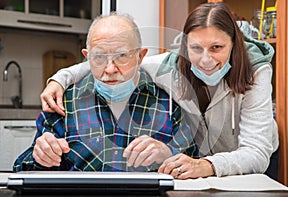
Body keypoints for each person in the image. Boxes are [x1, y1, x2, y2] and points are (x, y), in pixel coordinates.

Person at [39, 3, 279, 179]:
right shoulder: (169, 69)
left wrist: (206, 165)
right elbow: (116, 61)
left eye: (216, 47)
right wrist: (59, 79)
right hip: (200, 169)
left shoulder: (255, 73)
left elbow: (256, 153)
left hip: (248, 164)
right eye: (196, 48)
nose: (205, 59)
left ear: (234, 45)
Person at [13, 13, 199, 172]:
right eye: (99, 57)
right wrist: (40, 155)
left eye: (122, 56)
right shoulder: (64, 103)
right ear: (87, 57)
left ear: (140, 56)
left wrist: (169, 154)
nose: (110, 69)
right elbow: (22, 168)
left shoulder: (169, 104)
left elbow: (195, 163)